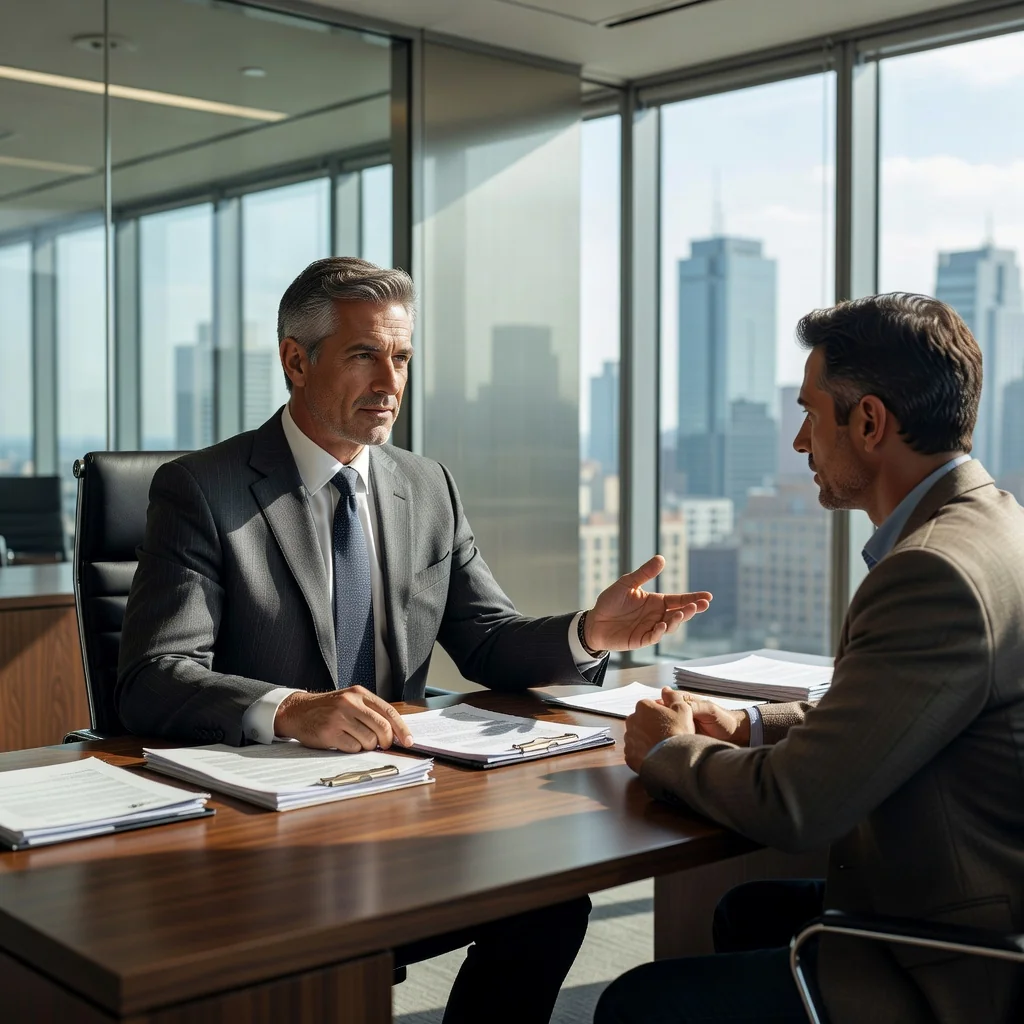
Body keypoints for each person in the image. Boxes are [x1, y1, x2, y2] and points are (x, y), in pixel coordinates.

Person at [116, 256, 712, 1024]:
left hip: (403, 804)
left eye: (400, 357)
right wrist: (293, 708)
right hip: (264, 826)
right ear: (296, 361)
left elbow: (488, 640)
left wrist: (588, 631)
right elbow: (154, 675)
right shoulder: (203, 488)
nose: (390, 382)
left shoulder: (425, 484)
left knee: (550, 907)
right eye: (365, 354)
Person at [598, 293, 1024, 1024]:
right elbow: (886, 711)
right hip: (962, 898)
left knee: (637, 1005)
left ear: (868, 422)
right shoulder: (995, 524)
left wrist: (669, 750)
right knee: (744, 913)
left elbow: (798, 806)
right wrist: (745, 723)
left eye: (809, 412)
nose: (799, 441)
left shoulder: (933, 572)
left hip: (958, 963)